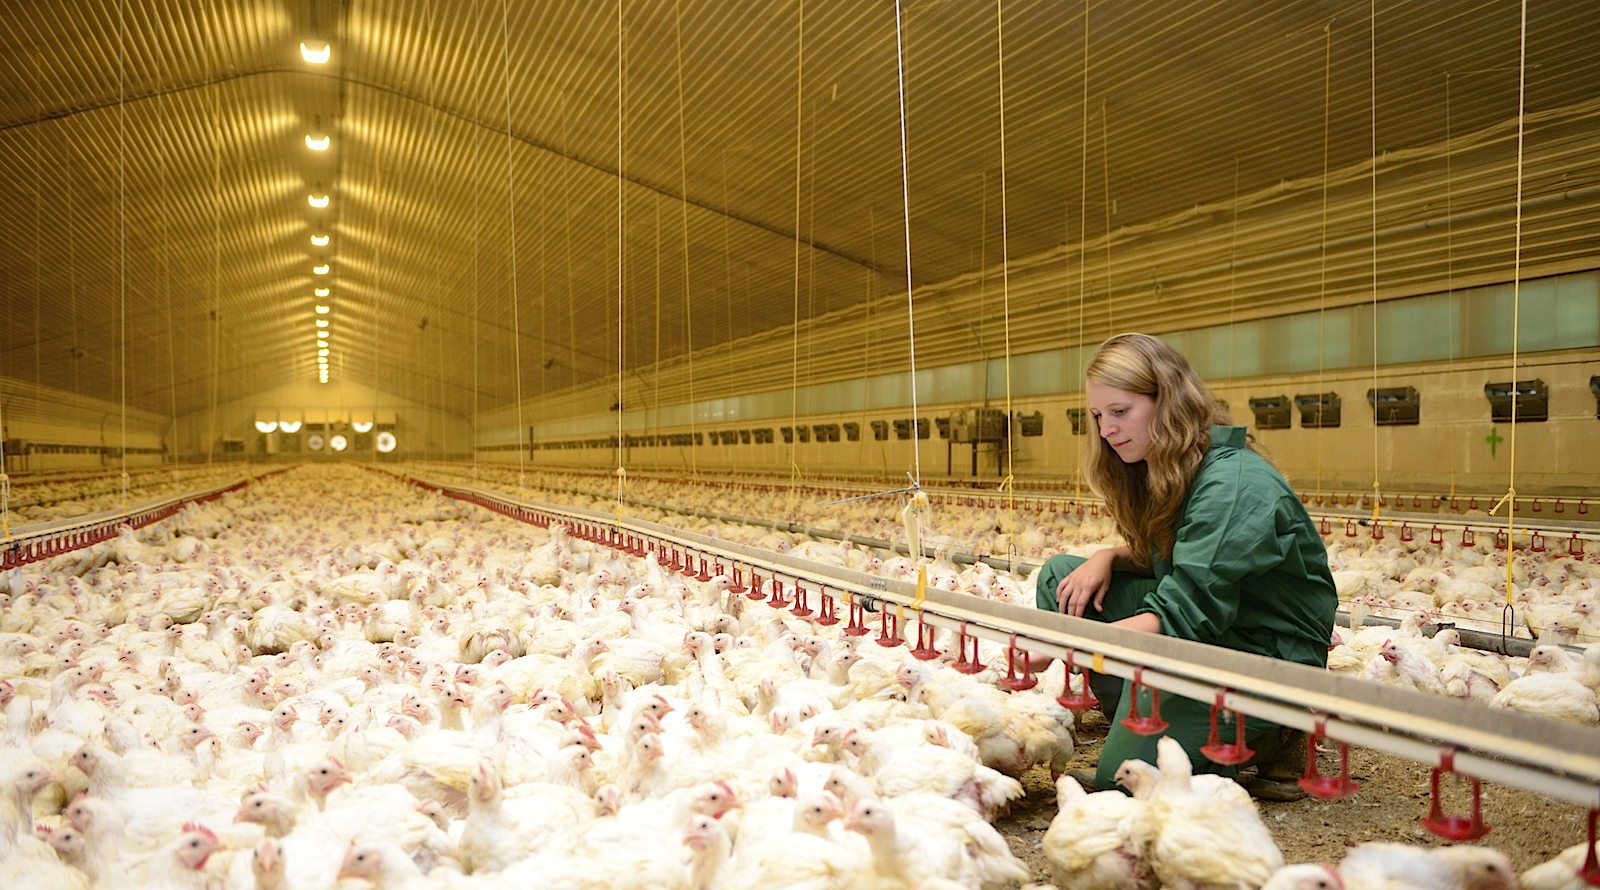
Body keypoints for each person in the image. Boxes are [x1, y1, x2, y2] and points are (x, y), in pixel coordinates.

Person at [1034, 332, 1337, 798]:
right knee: (1063, 580)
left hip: (1261, 650)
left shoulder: (1231, 484)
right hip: (1214, 627)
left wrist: (1066, 643)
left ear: (1168, 402)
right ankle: (1150, 715)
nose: (1105, 430)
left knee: (1128, 773)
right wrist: (1107, 556)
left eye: (1120, 412)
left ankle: (1276, 732)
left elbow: (1184, 611)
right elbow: (1178, 560)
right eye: (1097, 415)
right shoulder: (1172, 465)